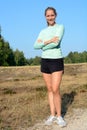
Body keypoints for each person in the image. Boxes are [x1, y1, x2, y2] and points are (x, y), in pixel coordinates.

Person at [34, 7, 66, 127]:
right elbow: (35, 46)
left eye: (52, 15)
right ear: (45, 17)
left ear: (56, 15)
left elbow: (56, 43)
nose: (50, 17)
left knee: (55, 89)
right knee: (49, 89)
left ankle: (59, 117)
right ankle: (52, 115)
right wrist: (47, 42)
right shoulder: (43, 31)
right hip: (45, 61)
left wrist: (43, 45)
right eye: (48, 16)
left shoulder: (60, 27)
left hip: (56, 60)